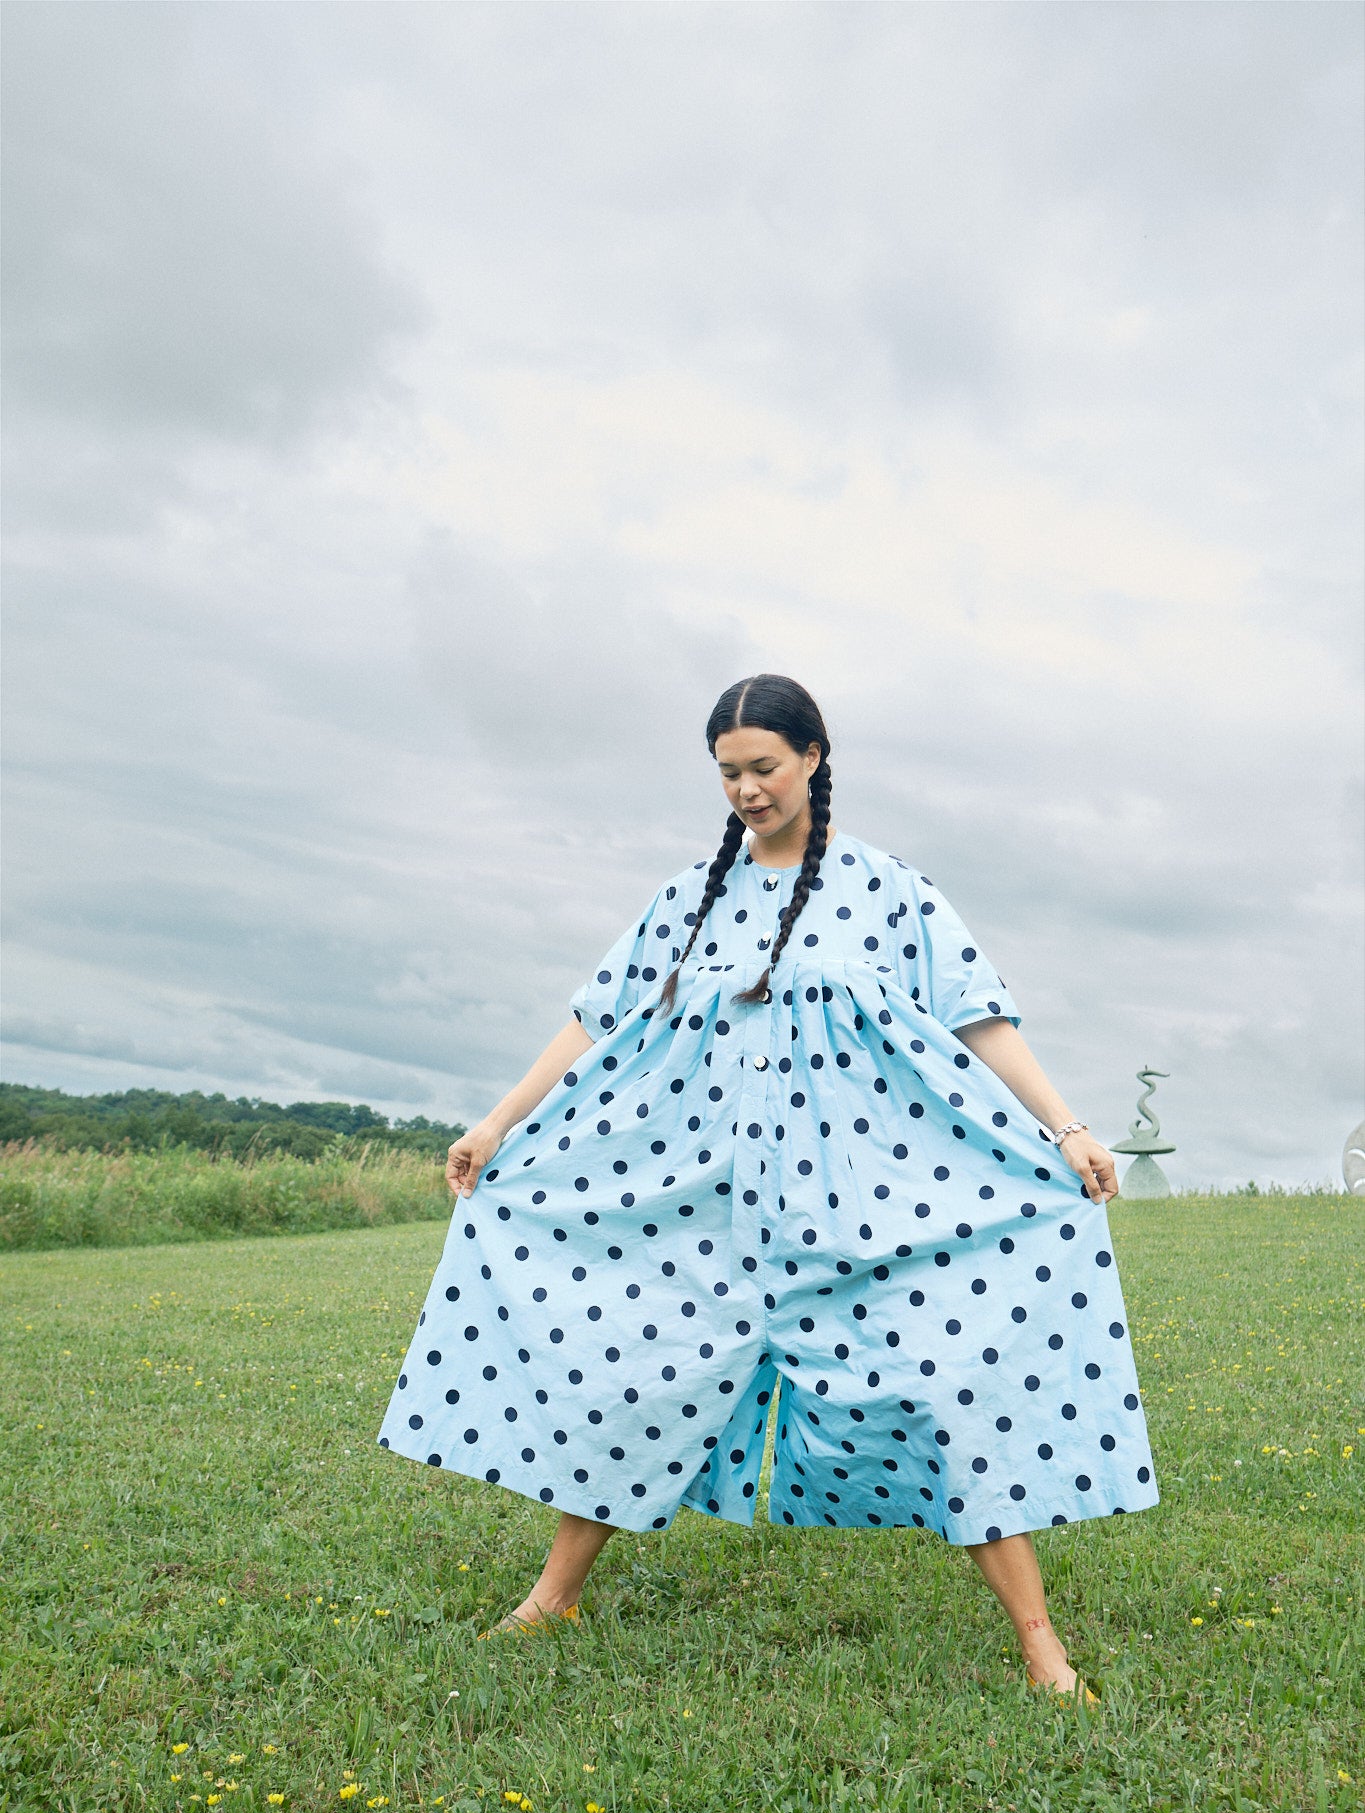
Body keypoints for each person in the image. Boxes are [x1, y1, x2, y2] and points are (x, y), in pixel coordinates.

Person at [377, 675, 1158, 1699]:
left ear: (813, 757)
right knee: (638, 1375)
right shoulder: (688, 897)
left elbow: (979, 1016)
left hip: (863, 1206)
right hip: (696, 1200)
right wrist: (496, 1124)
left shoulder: (888, 889)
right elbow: (595, 1018)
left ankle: (1040, 1645)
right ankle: (553, 1597)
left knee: (940, 1389)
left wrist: (1067, 1126)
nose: (747, 789)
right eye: (728, 773)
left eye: (764, 767)